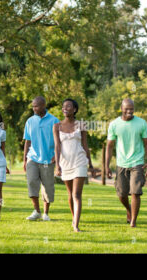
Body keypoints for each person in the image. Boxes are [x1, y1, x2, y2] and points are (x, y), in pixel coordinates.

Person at [106, 98, 147, 228]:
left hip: (137, 162)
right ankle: (129, 209)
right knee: (121, 194)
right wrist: (107, 165)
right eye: (127, 109)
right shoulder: (114, 124)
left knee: (135, 192)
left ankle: (133, 221)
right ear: (121, 108)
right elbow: (109, 146)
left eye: (131, 109)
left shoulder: (141, 123)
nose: (129, 111)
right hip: (121, 163)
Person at [53, 98, 95, 232]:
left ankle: (76, 225)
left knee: (76, 194)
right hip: (65, 163)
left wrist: (91, 165)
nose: (65, 108)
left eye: (68, 106)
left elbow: (85, 145)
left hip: (79, 161)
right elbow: (57, 146)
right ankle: (74, 218)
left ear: (75, 109)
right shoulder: (57, 126)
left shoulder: (81, 125)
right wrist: (57, 165)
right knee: (70, 194)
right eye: (63, 106)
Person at [23, 96, 59, 221]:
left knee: (47, 186)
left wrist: (56, 155)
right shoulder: (30, 121)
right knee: (32, 182)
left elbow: (59, 141)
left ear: (43, 106)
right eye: (33, 106)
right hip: (32, 157)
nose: (34, 108)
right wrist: (24, 159)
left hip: (48, 159)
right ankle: (36, 211)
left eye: (36, 106)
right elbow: (27, 141)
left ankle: (46, 213)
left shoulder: (54, 120)